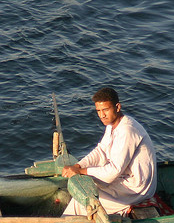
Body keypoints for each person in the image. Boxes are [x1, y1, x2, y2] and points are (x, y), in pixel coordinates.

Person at [61, 87, 157, 216]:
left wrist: (81, 171)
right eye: (98, 111)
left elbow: (113, 171)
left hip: (136, 189)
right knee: (86, 187)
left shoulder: (127, 130)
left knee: (81, 201)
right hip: (123, 180)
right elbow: (101, 151)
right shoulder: (111, 125)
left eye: (105, 110)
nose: (102, 115)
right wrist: (79, 166)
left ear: (117, 107)